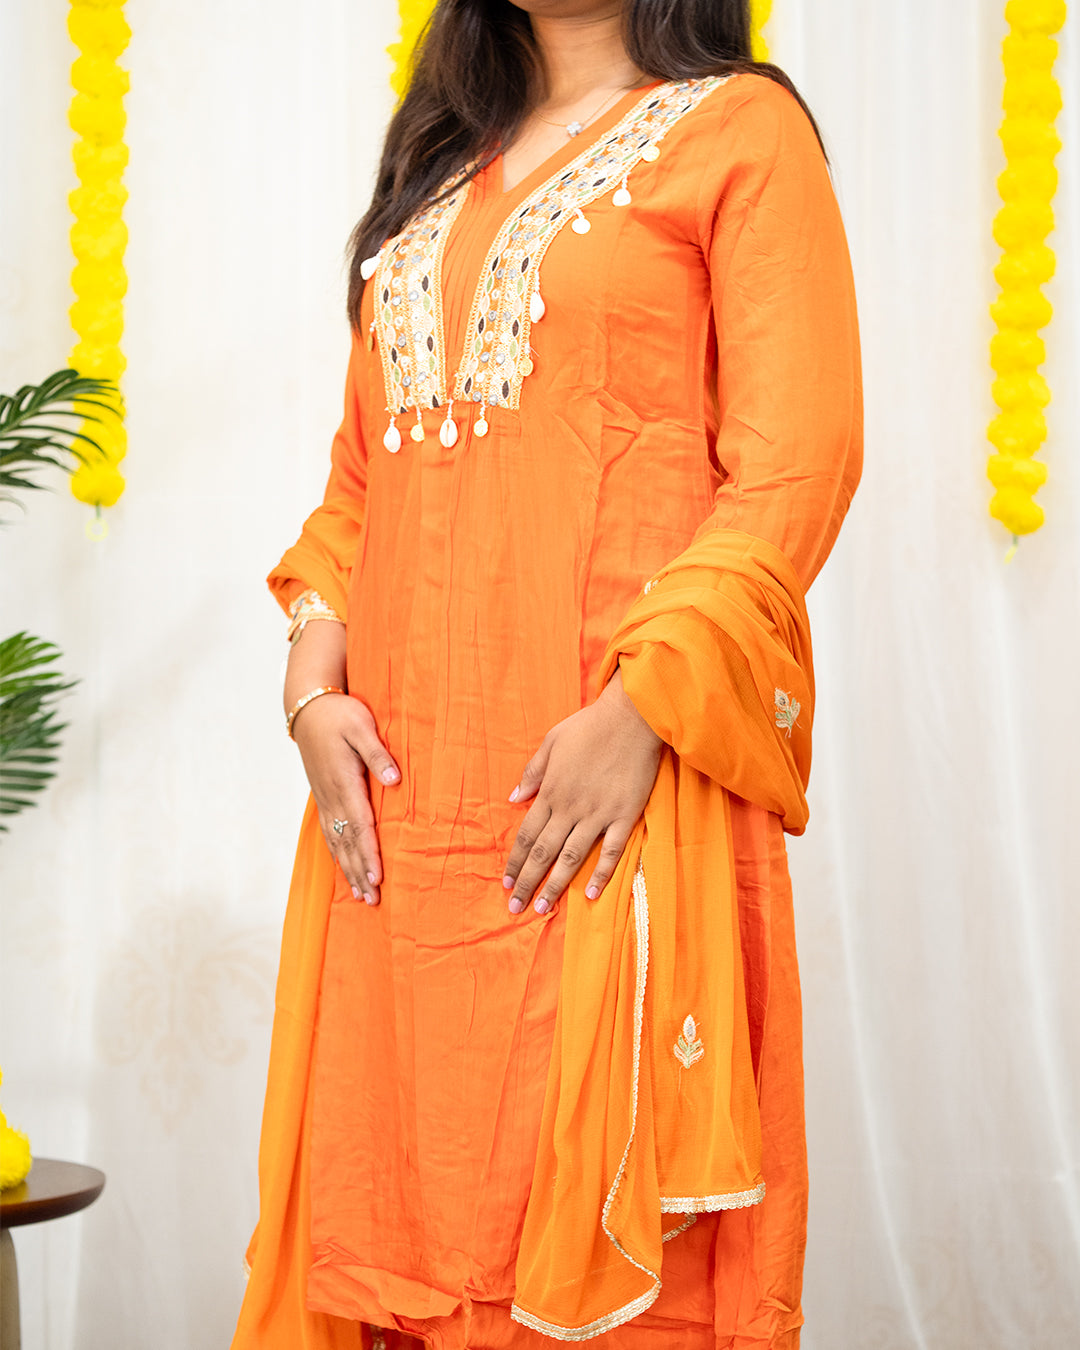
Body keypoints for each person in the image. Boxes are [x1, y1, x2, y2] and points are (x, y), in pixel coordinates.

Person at [231, 0, 862, 1346]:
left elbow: (797, 461)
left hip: (608, 810)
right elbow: (360, 482)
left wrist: (642, 710)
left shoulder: (741, 134)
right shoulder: (440, 174)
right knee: (400, 1246)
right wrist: (307, 673)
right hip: (400, 844)